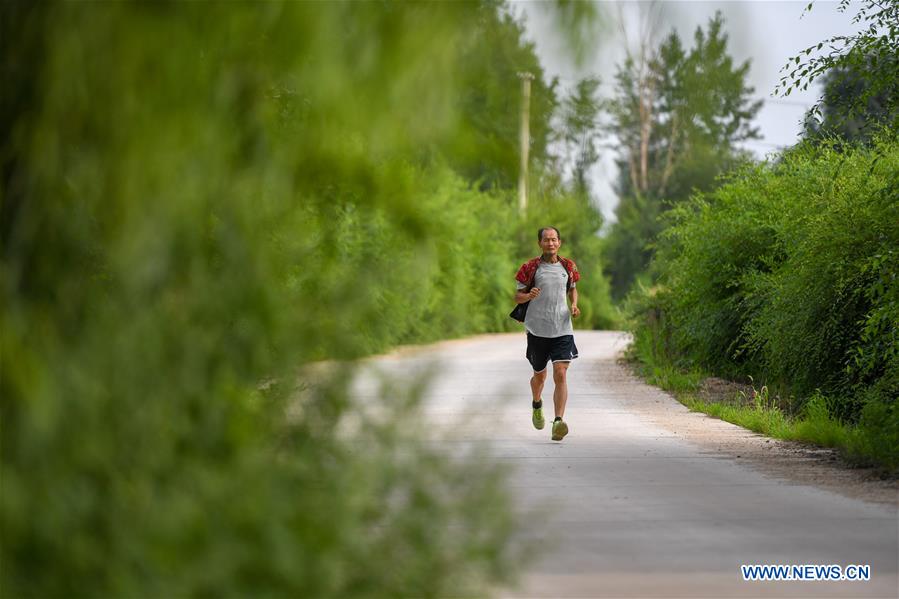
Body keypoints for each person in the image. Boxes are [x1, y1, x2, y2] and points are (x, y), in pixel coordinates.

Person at [514, 226, 580, 441]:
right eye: (546, 240)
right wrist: (528, 295)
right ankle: (536, 403)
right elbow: (517, 297)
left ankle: (558, 421)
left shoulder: (568, 266)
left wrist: (574, 305)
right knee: (539, 376)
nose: (550, 243)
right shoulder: (530, 267)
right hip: (537, 329)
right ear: (540, 243)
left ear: (559, 242)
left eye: (554, 240)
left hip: (562, 328)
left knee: (560, 373)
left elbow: (572, 288)